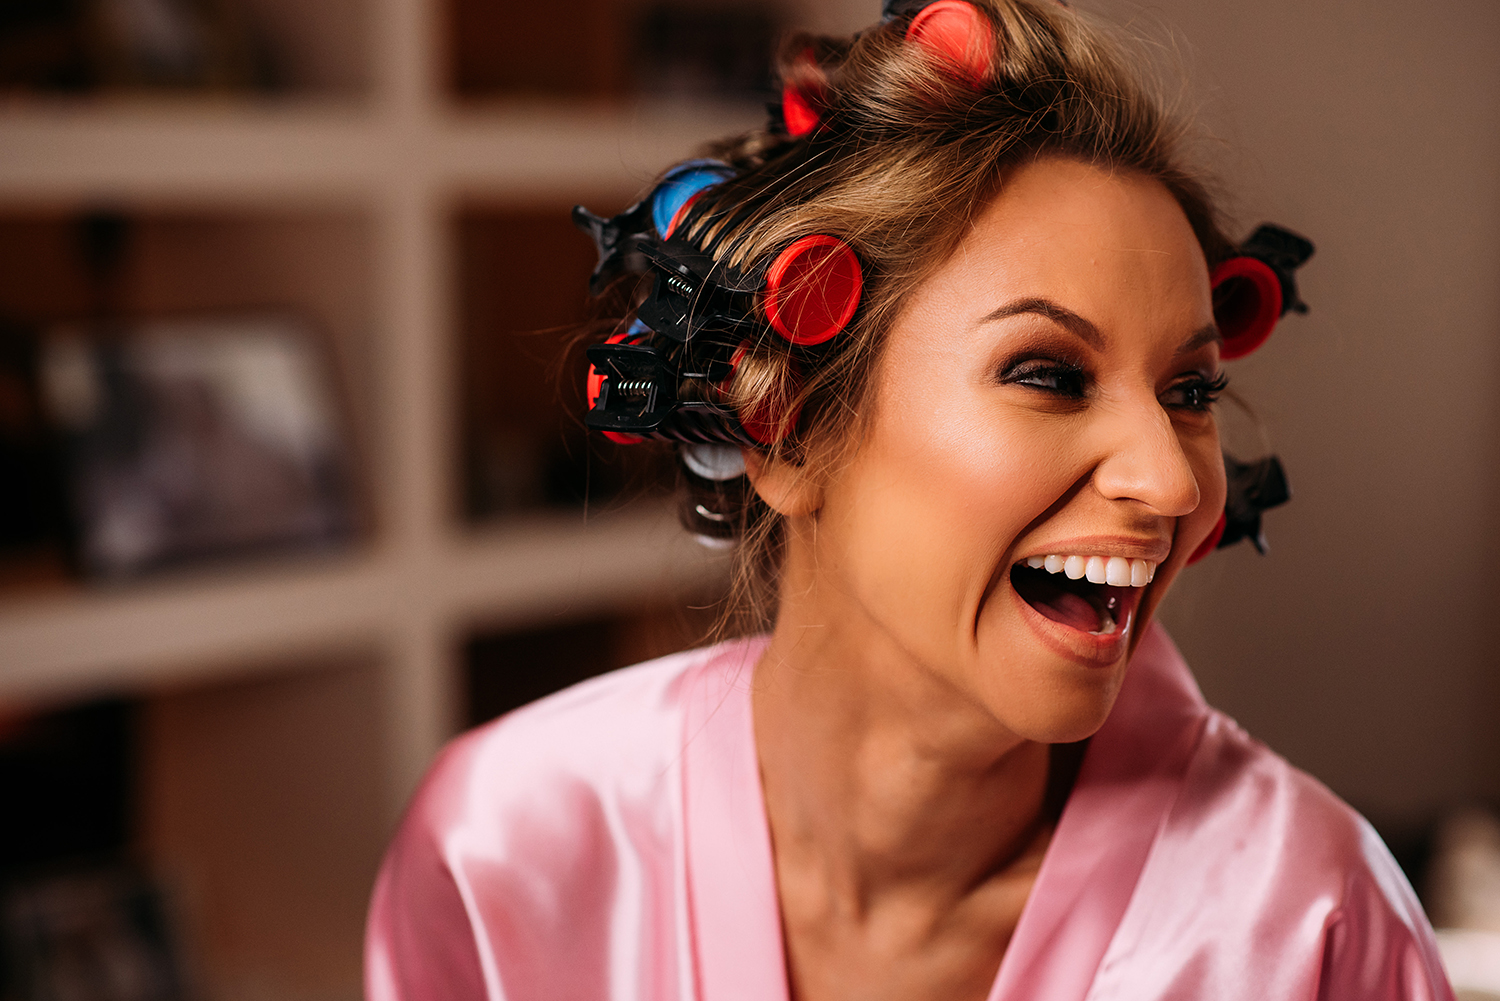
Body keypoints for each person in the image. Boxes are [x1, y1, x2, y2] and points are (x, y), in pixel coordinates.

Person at [365, 1, 1453, 998]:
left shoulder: (1310, 925)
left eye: (1191, 390)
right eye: (1049, 373)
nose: (1172, 481)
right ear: (786, 427)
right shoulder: (501, 855)